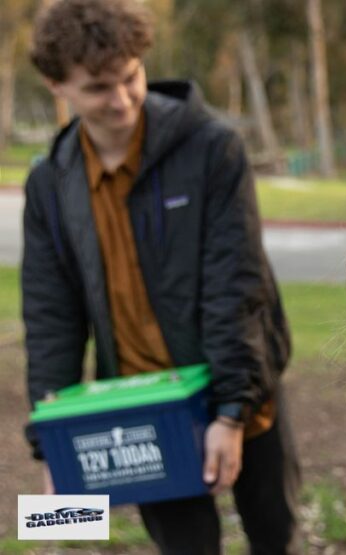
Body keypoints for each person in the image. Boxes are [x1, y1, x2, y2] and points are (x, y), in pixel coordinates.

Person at [21, 0, 299, 553]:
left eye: (130, 78)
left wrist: (230, 410)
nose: (122, 99)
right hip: (142, 406)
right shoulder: (50, 182)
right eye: (99, 88)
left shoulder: (213, 147)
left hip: (240, 385)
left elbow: (236, 286)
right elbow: (51, 317)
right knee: (184, 547)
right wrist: (52, 444)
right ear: (58, 86)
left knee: (276, 534)